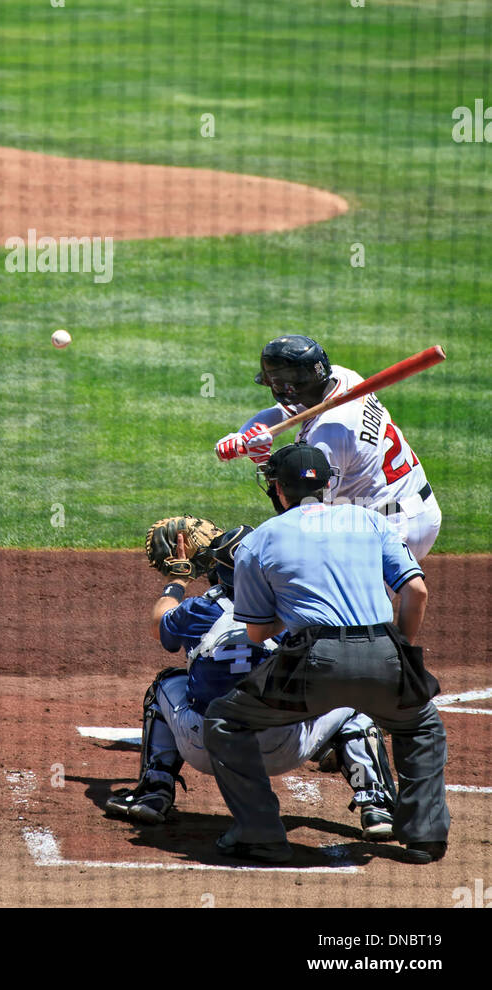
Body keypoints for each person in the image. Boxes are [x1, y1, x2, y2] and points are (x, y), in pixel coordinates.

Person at [203, 443, 449, 865]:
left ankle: (260, 833)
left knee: (226, 720)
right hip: (384, 654)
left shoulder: (259, 540)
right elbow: (417, 590)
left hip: (311, 663)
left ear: (278, 490)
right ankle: (424, 837)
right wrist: (400, 650)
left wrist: (291, 610)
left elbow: (258, 630)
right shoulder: (369, 520)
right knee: (421, 726)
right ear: (330, 483)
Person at [105, 522, 396, 837]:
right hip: (284, 746)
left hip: (207, 747)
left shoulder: (199, 610)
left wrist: (176, 581)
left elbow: (159, 623)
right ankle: (377, 805)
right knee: (352, 697)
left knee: (165, 684)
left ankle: (153, 792)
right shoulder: (300, 608)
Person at [214, 333, 441, 558]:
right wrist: (243, 436)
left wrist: (264, 460)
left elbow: (304, 512)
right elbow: (283, 411)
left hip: (388, 531)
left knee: (304, 570)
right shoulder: (344, 378)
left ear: (286, 388)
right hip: (414, 507)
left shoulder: (327, 437)